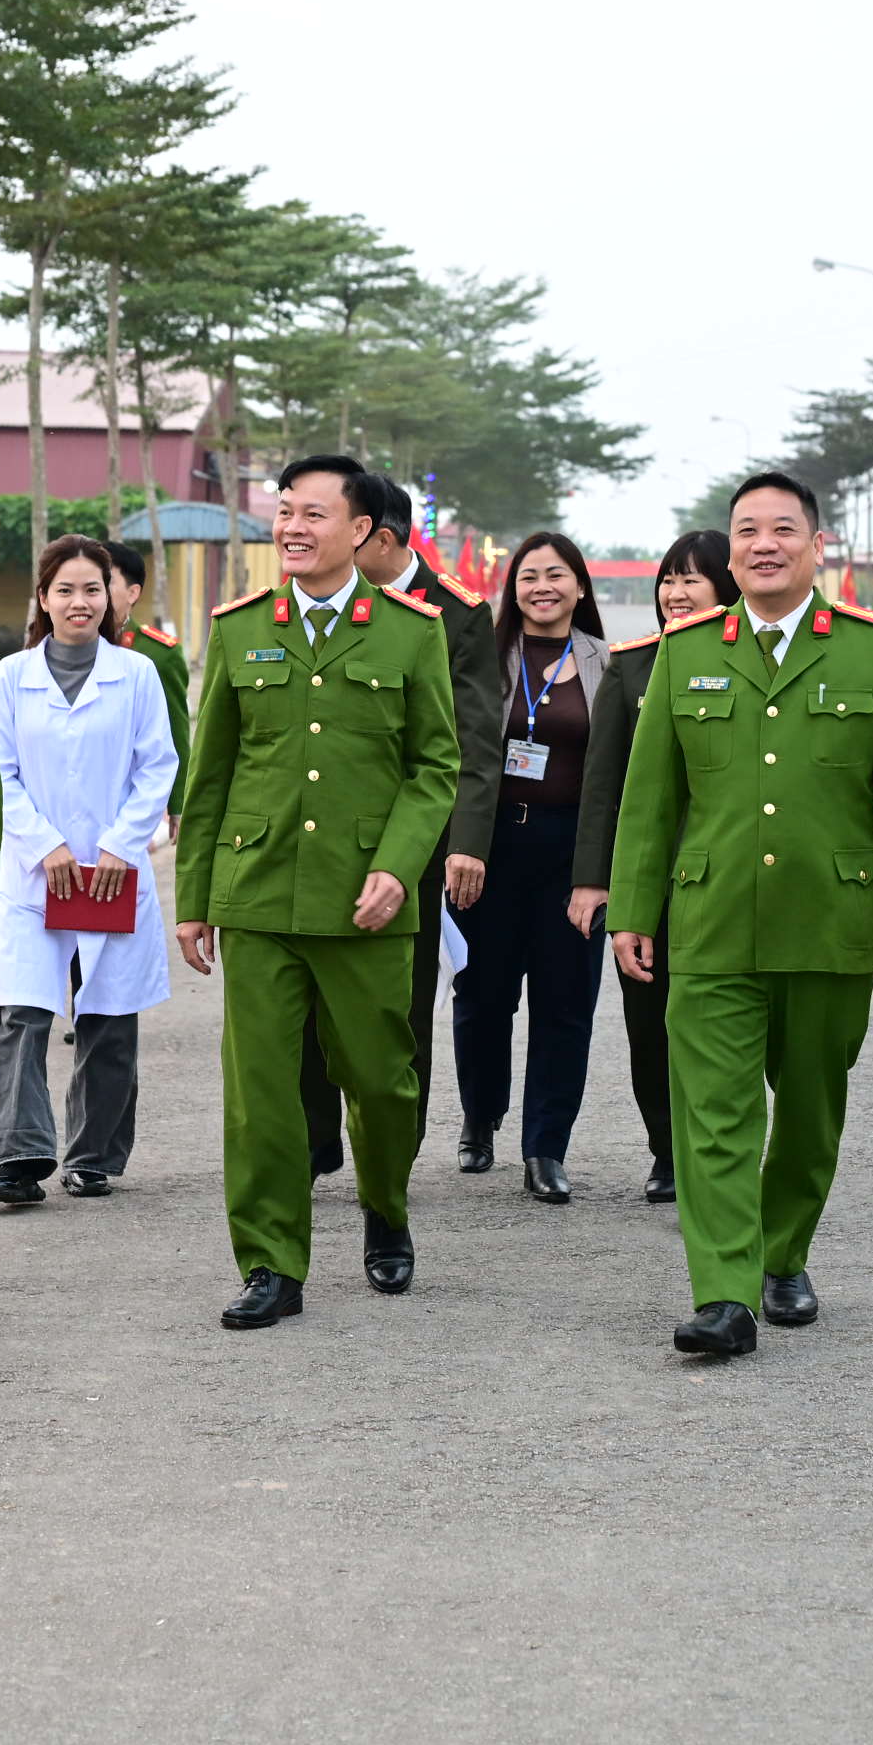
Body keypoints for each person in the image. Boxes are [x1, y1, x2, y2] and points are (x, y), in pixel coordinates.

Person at [608, 473, 873, 1358]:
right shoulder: (685, 650)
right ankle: (724, 1294)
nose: (764, 544)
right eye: (747, 530)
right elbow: (650, 797)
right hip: (710, 918)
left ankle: (783, 1253)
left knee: (807, 1112)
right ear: (731, 549)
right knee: (713, 1114)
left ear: (816, 546)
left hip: (829, 919)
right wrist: (633, 907)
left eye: (783, 529)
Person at [177, 454, 459, 1330]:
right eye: (286, 512)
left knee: (381, 1082)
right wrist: (194, 898)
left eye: (314, 514)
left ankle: (385, 1206)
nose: (292, 529)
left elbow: (434, 767)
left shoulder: (411, 632)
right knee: (260, 1091)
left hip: (365, 901)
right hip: (258, 893)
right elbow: (210, 775)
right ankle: (271, 1263)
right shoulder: (240, 630)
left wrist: (397, 866)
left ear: (362, 531)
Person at [302, 475, 503, 1175]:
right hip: (320, 835)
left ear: (379, 538)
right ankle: (316, 1138)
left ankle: (392, 1153)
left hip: (411, 845)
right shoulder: (314, 605)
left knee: (401, 1006)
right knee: (307, 999)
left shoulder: (456, 614)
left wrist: (465, 843)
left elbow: (475, 740)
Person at [0, 536, 180, 1203]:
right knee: (22, 1012)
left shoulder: (138, 674)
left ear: (110, 598)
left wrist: (120, 845)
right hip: (34, 874)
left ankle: (93, 1156)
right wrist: (44, 844)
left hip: (110, 871)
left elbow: (158, 766)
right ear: (43, 598)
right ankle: (19, 1157)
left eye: (92, 589)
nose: (80, 602)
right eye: (65, 589)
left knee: (109, 1014)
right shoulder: (10, 678)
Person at [570, 530, 740, 1203]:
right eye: (668, 579)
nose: (675, 592)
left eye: (692, 578)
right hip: (650, 882)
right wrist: (593, 879)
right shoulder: (634, 664)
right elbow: (602, 784)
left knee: (722, 1024)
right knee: (650, 1025)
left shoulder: (752, 661)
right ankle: (668, 1150)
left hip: (728, 878)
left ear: (726, 585)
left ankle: (719, 1151)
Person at [450, 530, 610, 1202]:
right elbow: (458, 754)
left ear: (579, 585)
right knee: (482, 997)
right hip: (489, 851)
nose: (542, 587)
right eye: (528, 577)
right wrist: (461, 844)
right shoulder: (486, 655)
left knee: (565, 1005)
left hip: (573, 856)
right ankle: (480, 1115)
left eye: (555, 574)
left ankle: (546, 1148)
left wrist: (599, 872)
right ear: (512, 590)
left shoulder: (609, 661)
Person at [104, 540, 190, 830]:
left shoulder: (157, 654)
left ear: (133, 593)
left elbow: (176, 731)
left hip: (132, 796)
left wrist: (178, 804)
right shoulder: (58, 646)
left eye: (106, 581)